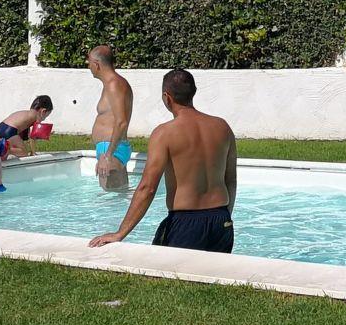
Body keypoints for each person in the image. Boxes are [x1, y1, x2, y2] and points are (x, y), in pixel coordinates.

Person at [88, 69, 235, 252]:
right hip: (221, 219)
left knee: (168, 269)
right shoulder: (222, 127)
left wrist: (120, 233)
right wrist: (225, 216)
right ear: (193, 92)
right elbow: (230, 180)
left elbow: (147, 188)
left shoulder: (164, 133)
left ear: (167, 97)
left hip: (185, 222)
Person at [87, 46, 134, 193]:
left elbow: (121, 122)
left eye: (89, 63)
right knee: (118, 197)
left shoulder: (114, 85)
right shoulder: (112, 84)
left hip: (111, 151)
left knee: (110, 201)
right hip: (111, 149)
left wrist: (107, 155)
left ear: (97, 64)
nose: (89, 67)